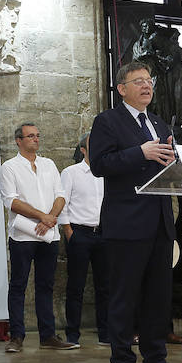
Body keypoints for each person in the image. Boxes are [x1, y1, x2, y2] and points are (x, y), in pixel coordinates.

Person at [89, 60, 182, 363]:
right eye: (139, 81)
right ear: (122, 89)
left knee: (158, 300)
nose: (147, 86)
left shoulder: (158, 122)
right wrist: (139, 153)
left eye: (149, 80)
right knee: (124, 298)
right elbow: (100, 165)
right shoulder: (107, 122)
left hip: (160, 224)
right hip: (126, 225)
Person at [0, 123, 76, 353]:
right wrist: (41, 216)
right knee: (19, 285)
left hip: (48, 235)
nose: (35, 139)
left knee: (46, 285)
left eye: (37, 136)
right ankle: (17, 336)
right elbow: (11, 201)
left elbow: (60, 195)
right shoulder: (10, 167)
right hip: (23, 235)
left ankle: (48, 335)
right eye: (30, 136)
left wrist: (50, 217)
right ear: (18, 141)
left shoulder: (48, 164)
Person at [59, 132, 109, 347]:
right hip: (80, 233)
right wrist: (69, 232)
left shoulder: (107, 172)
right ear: (82, 150)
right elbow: (63, 202)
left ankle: (106, 333)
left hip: (105, 234)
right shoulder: (71, 172)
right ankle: (72, 334)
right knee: (76, 286)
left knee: (105, 286)